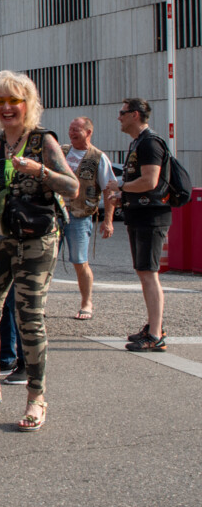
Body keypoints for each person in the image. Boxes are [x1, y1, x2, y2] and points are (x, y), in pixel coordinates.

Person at [0, 70, 78, 434]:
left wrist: (41, 171)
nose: (7, 108)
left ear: (28, 104)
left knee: (29, 316)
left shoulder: (43, 141)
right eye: (1, 101)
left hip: (35, 238)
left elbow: (72, 187)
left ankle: (36, 396)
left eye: (15, 101)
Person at [113, 98, 171, 352]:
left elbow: (150, 181)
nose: (119, 117)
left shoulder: (149, 142)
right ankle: (153, 326)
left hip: (152, 216)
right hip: (140, 213)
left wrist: (121, 186)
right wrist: (124, 195)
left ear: (135, 115)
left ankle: (156, 335)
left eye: (122, 113)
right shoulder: (138, 142)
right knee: (144, 272)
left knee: (149, 274)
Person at [60, 116, 116, 320]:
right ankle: (39, 305)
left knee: (80, 260)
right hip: (56, 213)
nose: (72, 133)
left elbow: (110, 190)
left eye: (77, 130)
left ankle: (86, 302)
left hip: (80, 215)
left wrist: (108, 221)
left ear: (88, 132)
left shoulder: (98, 158)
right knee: (44, 260)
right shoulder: (61, 151)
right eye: (70, 129)